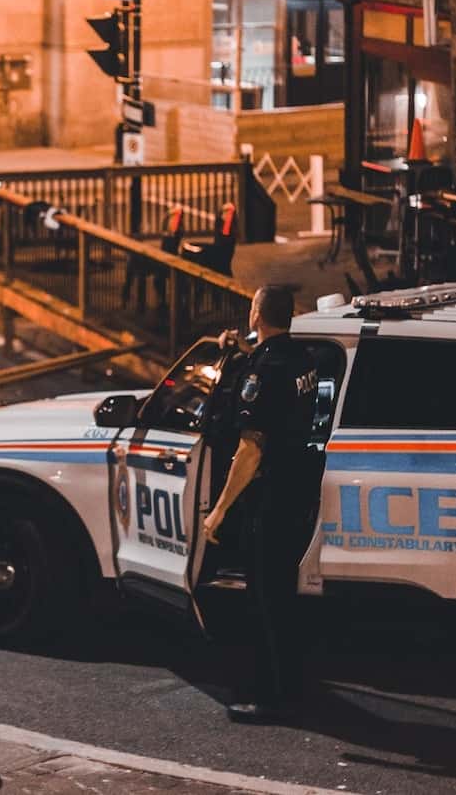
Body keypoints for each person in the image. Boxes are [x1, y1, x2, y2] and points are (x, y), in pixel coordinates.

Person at [202, 285, 319, 724]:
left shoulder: (265, 371)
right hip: (297, 490)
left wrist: (219, 510)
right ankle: (291, 682)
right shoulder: (301, 359)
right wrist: (237, 349)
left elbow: (250, 448)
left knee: (267, 599)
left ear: (256, 314)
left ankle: (272, 698)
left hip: (269, 497)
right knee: (282, 596)